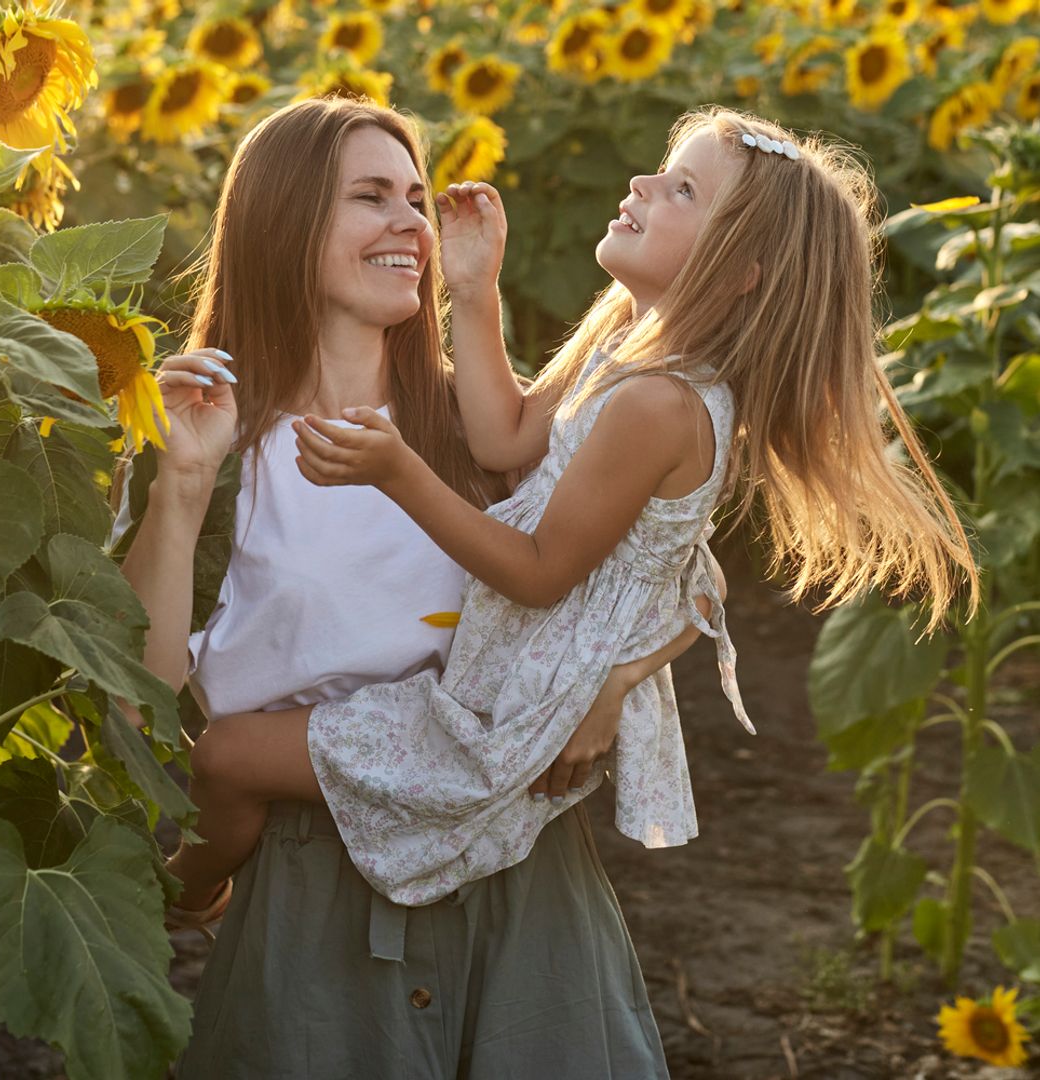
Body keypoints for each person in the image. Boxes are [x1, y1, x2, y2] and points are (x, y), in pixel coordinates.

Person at [162, 105, 979, 917]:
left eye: (682, 189)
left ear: (737, 271)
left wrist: (398, 473)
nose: (642, 182)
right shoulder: (625, 351)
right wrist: (475, 289)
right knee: (237, 762)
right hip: (511, 686)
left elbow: (546, 575)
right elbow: (503, 437)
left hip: (506, 711)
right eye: (664, 169)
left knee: (229, 758)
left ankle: (188, 898)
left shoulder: (660, 404)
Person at [120, 95, 713, 1079]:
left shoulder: (485, 433)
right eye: (370, 197)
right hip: (312, 899)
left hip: (521, 893)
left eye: (414, 197)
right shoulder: (213, 436)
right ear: (284, 222)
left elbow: (689, 576)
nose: (409, 222)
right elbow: (143, 703)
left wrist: (609, 682)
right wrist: (178, 487)